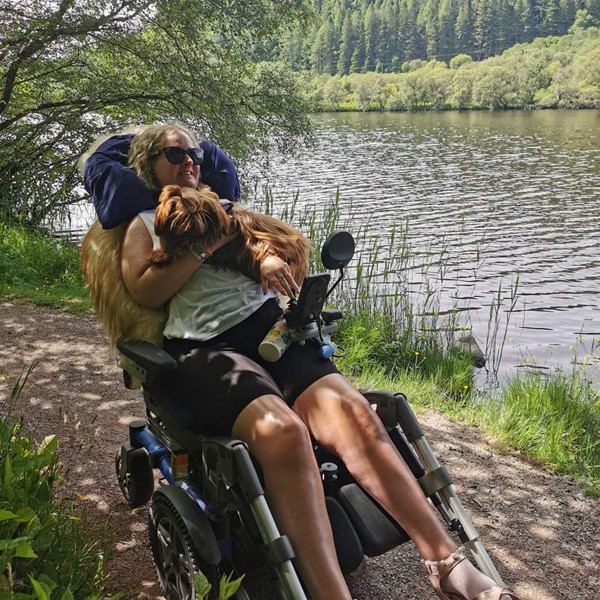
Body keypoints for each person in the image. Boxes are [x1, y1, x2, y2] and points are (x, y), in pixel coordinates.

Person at [86, 122, 520, 600]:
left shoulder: (232, 210)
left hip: (270, 328)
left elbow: (275, 247)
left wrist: (272, 260)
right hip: (206, 347)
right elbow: (146, 289)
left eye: (195, 154)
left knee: (357, 414)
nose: (190, 161)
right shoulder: (143, 224)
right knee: (283, 433)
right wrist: (202, 245)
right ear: (149, 165)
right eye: (174, 154)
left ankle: (446, 564)